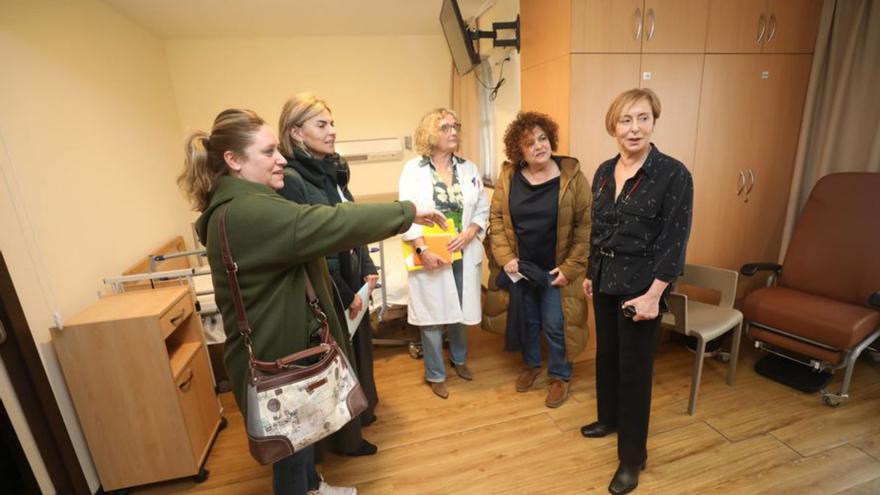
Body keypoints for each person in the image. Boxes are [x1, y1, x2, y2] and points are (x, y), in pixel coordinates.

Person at [177, 108, 445, 495]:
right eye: (268, 152)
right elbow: (328, 223)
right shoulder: (247, 213)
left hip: (283, 349)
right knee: (290, 451)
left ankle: (314, 487)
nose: (281, 158)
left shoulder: (246, 204)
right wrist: (407, 212)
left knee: (300, 440)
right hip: (276, 358)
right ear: (234, 161)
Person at [580, 88, 693, 495]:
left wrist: (654, 294)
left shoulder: (672, 173)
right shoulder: (605, 171)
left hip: (642, 287)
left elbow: (674, 239)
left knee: (635, 372)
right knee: (607, 357)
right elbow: (599, 228)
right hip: (607, 279)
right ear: (613, 126)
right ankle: (609, 419)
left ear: (654, 122)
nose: (634, 128)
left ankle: (632, 458)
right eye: (626, 120)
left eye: (643, 118)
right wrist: (592, 272)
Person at [276, 93, 379, 457]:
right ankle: (344, 441)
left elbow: (350, 222)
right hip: (329, 285)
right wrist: (343, 289)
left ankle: (360, 418)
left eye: (332, 123)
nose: (333, 131)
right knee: (338, 365)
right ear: (297, 133)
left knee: (359, 356)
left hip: (352, 279)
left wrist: (367, 269)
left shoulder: (332, 170)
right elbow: (310, 247)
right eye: (322, 124)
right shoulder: (292, 179)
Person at [488, 111, 591, 409]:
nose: (539, 146)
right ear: (518, 151)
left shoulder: (573, 178)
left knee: (556, 323)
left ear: (551, 139)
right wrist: (506, 258)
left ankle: (560, 376)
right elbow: (496, 219)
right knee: (528, 321)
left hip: (556, 269)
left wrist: (570, 269)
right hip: (522, 269)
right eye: (530, 143)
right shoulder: (508, 178)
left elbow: (586, 227)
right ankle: (532, 364)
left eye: (543, 138)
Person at [398, 108, 490, 399]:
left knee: (460, 312)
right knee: (432, 316)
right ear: (429, 134)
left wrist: (471, 232)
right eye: (445, 127)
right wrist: (422, 249)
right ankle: (435, 373)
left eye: (455, 126)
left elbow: (482, 209)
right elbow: (406, 213)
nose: (453, 132)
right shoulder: (414, 170)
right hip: (431, 253)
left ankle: (460, 360)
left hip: (463, 249)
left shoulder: (469, 169)